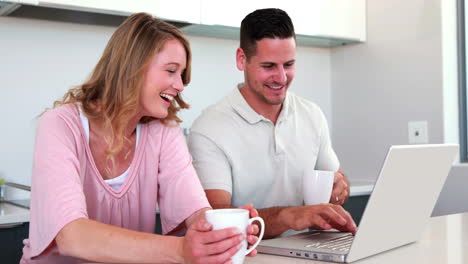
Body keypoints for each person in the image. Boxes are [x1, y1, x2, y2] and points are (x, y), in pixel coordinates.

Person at [21, 13, 259, 264]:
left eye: (182, 75)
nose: (180, 85)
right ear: (132, 67)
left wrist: (223, 233)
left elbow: (194, 211)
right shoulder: (60, 124)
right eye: (171, 71)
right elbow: (72, 236)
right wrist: (180, 250)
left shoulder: (163, 131)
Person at [188, 8, 357, 239]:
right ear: (241, 59)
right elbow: (217, 219)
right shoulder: (209, 129)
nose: (281, 77)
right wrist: (289, 216)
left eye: (288, 64)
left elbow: (337, 179)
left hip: (304, 251)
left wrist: (339, 190)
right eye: (269, 66)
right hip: (245, 256)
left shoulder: (312, 114)